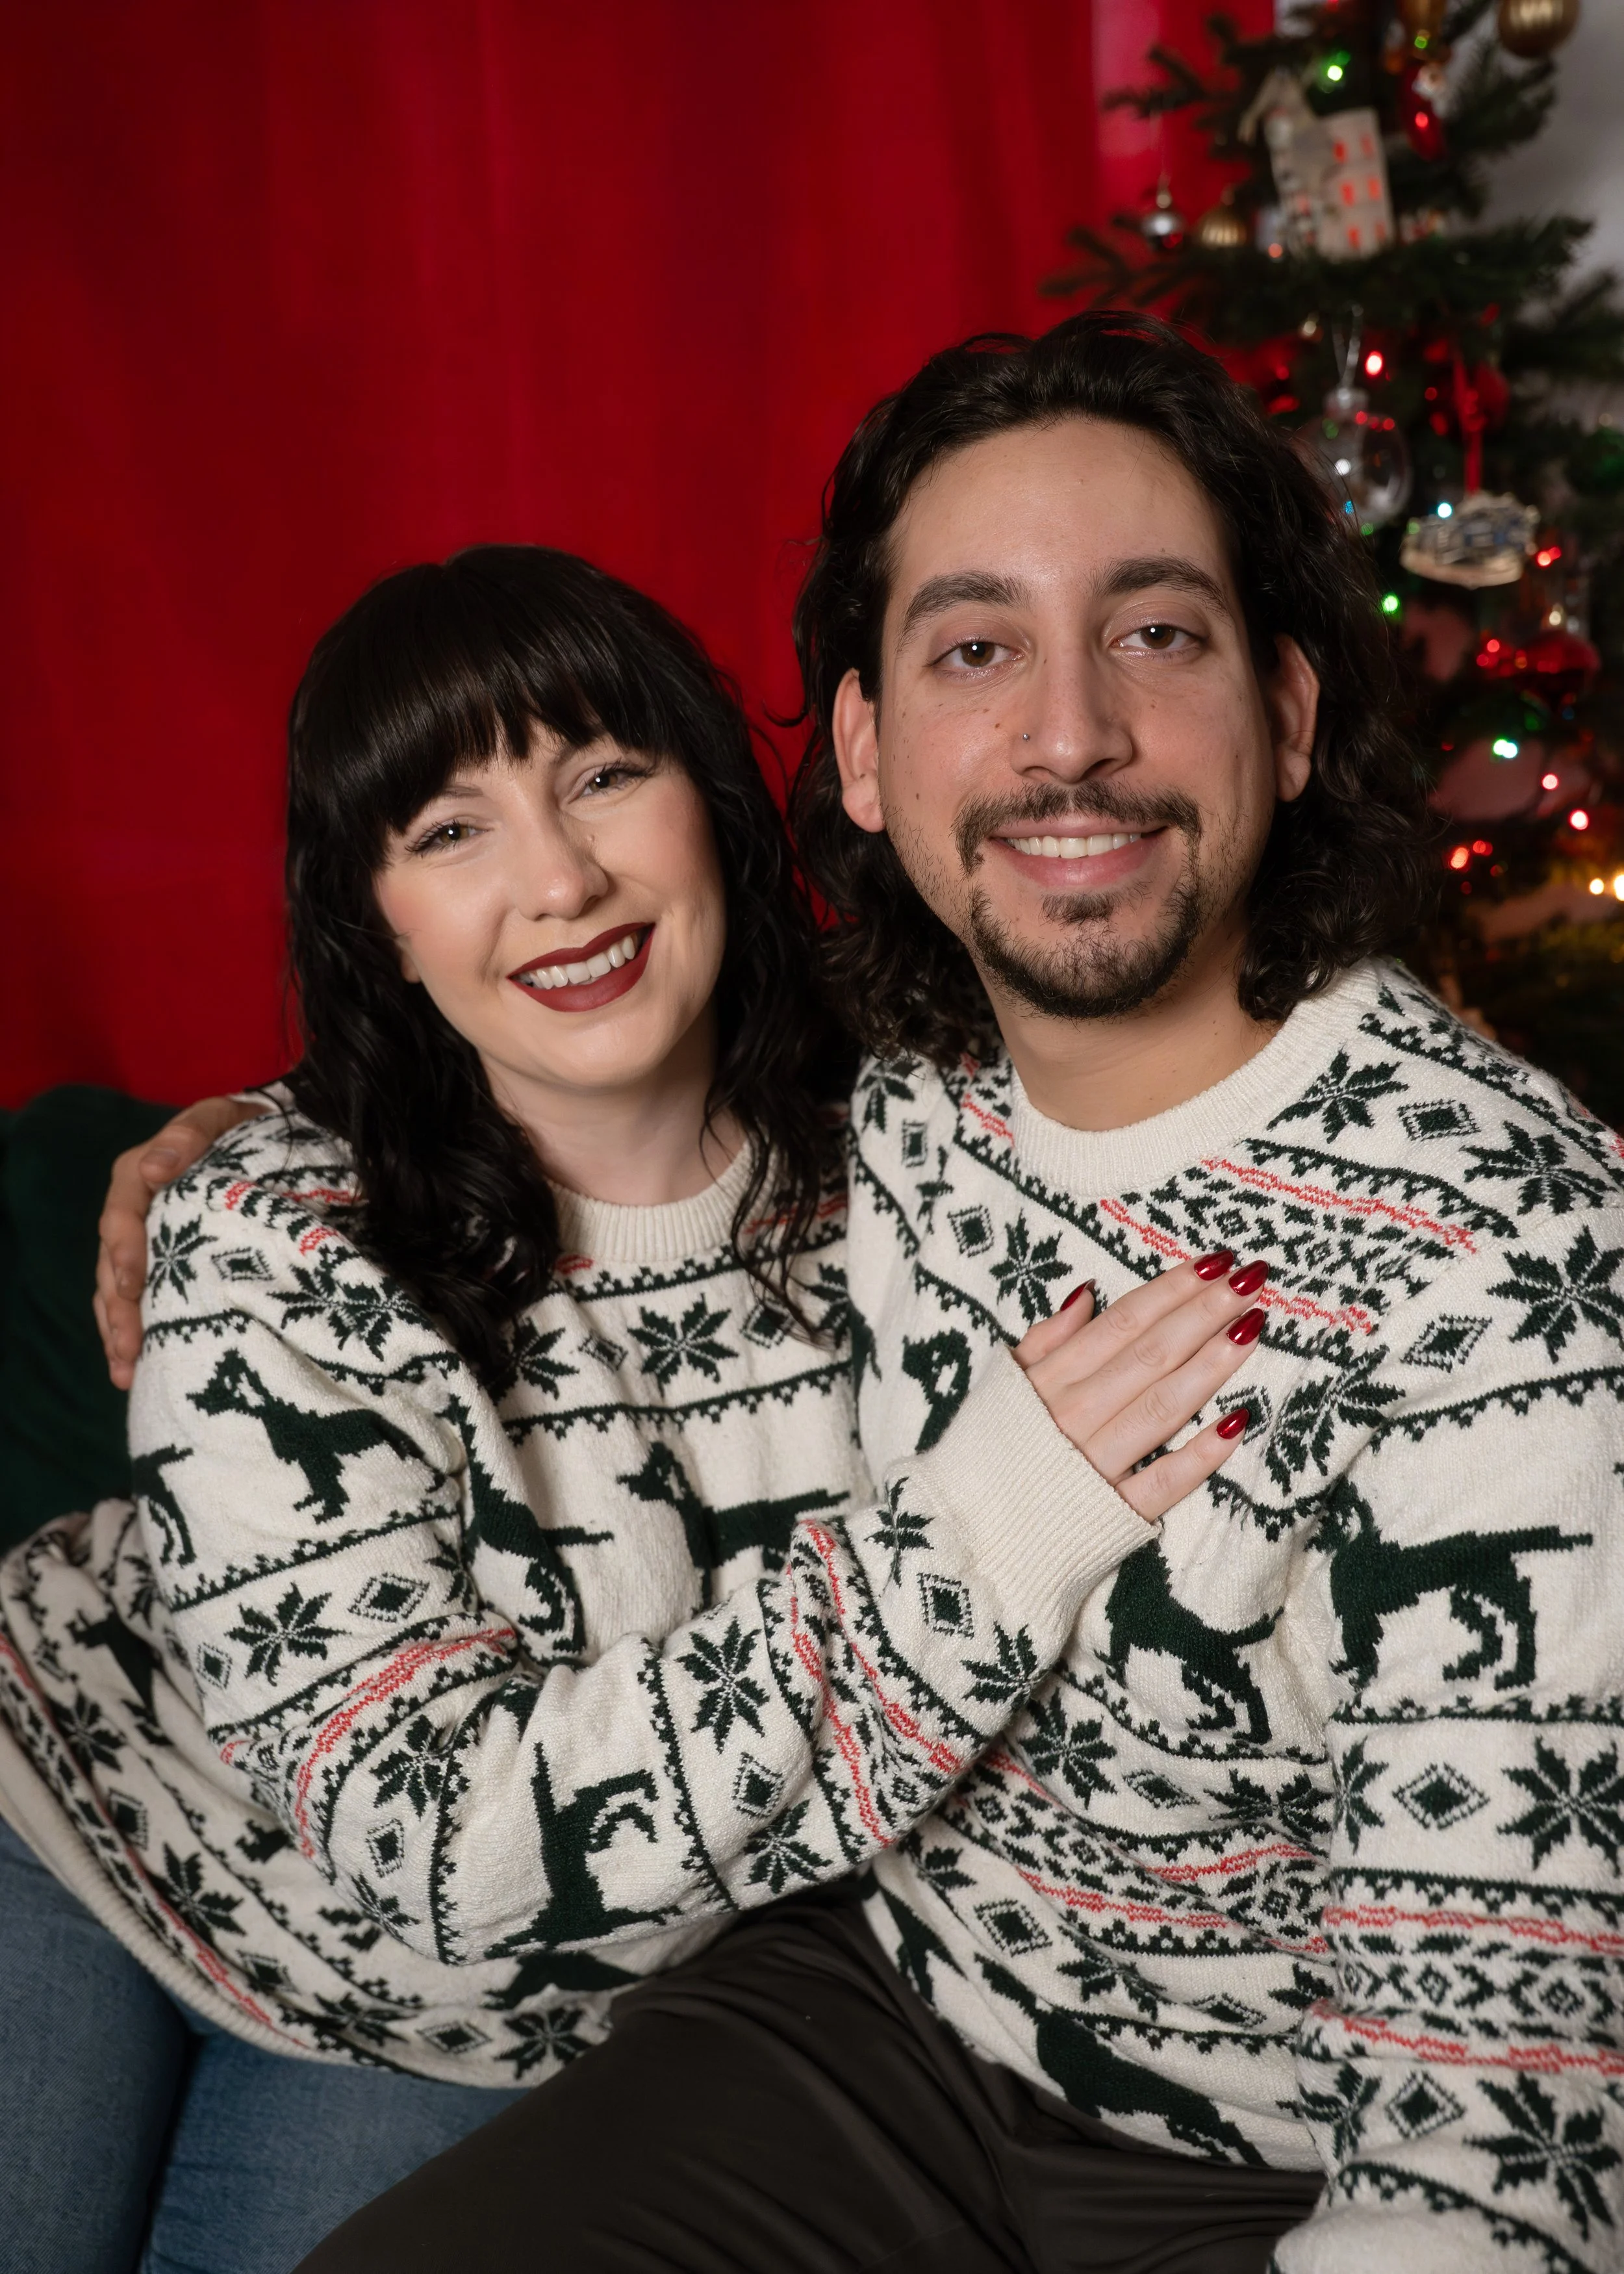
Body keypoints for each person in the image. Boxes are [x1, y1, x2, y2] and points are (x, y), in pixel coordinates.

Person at [246, 311, 1614, 2273]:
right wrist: (217, 1152)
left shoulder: (1508, 1266)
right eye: (976, 647)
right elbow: (540, 1032)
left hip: (1258, 2161)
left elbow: (1490, 2147)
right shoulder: (901, 1081)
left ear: (1291, 718)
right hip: (869, 2019)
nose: (1068, 734)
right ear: (869, 752)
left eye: (1156, 632)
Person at [1, 541, 1257, 2274]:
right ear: (377, 917)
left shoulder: (935, 1159)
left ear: (713, 795)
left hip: (496, 2008)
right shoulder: (271, 1226)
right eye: (450, 831)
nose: (561, 880)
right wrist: (983, 1536)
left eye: (605, 773)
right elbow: (422, 1831)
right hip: (75, 1814)